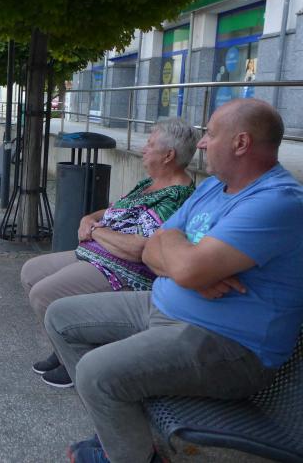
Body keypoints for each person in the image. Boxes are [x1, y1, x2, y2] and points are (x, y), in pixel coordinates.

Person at [45, 98, 303, 463]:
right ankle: (121, 435)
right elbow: (152, 247)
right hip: (164, 305)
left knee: (96, 373)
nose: (202, 143)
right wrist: (187, 267)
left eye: (211, 134)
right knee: (60, 317)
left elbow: (177, 259)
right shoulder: (213, 187)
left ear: (241, 143)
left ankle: (135, 457)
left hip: (228, 345)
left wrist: (184, 263)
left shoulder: (276, 201)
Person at [21, 118, 198, 388]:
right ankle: (63, 344)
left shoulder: (175, 197)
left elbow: (139, 249)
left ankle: (77, 365)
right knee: (30, 272)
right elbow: (114, 210)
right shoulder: (150, 183)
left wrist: (95, 230)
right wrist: (90, 217)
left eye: (150, 145)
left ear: (168, 155)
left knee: (43, 294)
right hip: (98, 253)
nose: (143, 149)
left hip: (123, 270)